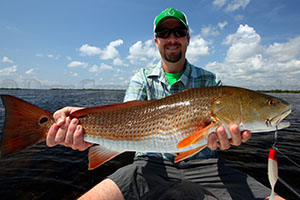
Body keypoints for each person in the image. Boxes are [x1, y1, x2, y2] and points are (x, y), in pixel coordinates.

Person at [46, 8, 284, 200]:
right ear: (156, 40)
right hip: (148, 164)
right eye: (164, 33)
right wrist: (81, 119)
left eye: (179, 32)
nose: (172, 39)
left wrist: (225, 141)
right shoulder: (141, 77)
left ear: (188, 39)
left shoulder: (211, 81)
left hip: (207, 166)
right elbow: (126, 115)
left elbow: (209, 140)